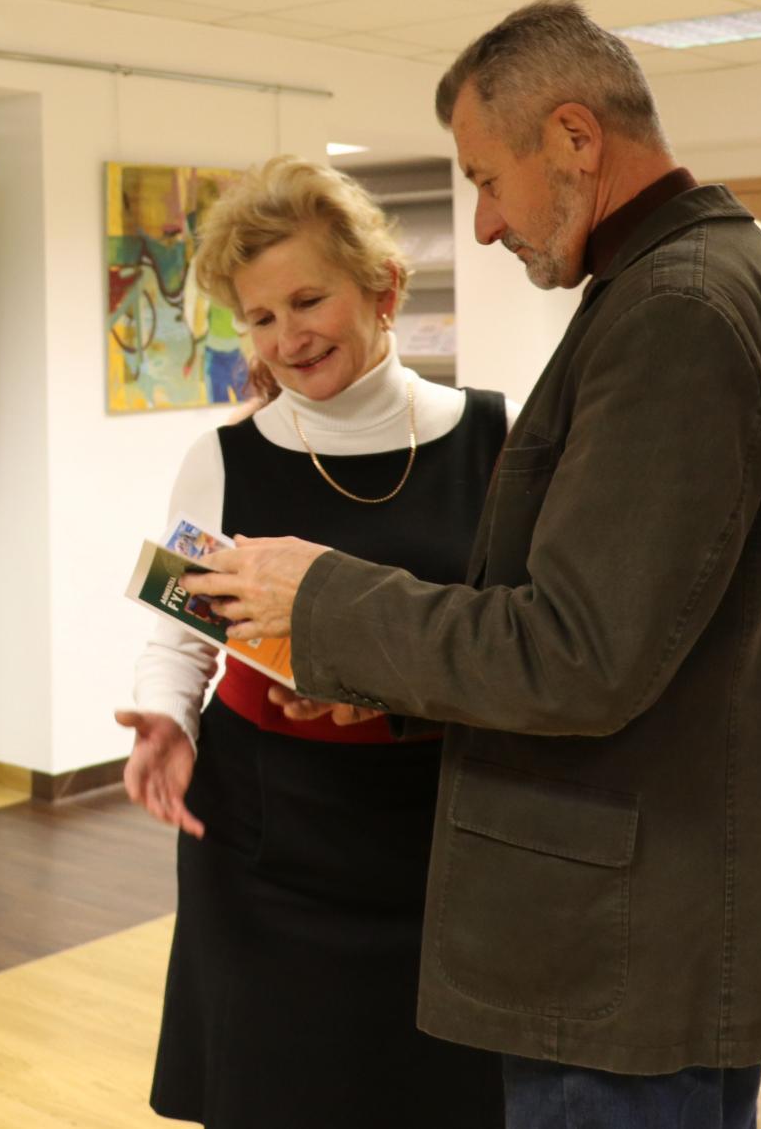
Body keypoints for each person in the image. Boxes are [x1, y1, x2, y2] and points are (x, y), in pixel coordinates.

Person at [189, 0, 761, 1129]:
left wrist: (320, 597)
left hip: (623, 925)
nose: (482, 224)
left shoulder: (677, 308)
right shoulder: (718, 271)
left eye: (485, 179)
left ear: (572, 136)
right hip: (671, 897)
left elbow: (576, 653)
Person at [118, 155, 507, 1128]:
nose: (286, 338)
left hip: (447, 832)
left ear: (383, 288)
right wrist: (165, 719)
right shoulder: (221, 457)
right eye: (259, 317)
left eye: (307, 300)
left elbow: (518, 633)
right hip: (269, 841)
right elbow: (181, 633)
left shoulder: (495, 437)